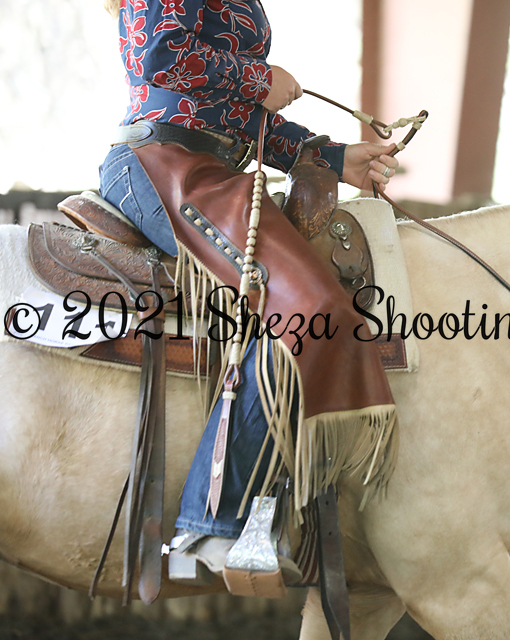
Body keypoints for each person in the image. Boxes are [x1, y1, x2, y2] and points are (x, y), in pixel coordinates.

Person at [100, 0, 399, 592]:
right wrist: (261, 79)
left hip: (208, 167)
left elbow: (231, 113)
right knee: (312, 312)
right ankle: (210, 526)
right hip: (163, 164)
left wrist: (333, 157)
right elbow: (159, 55)